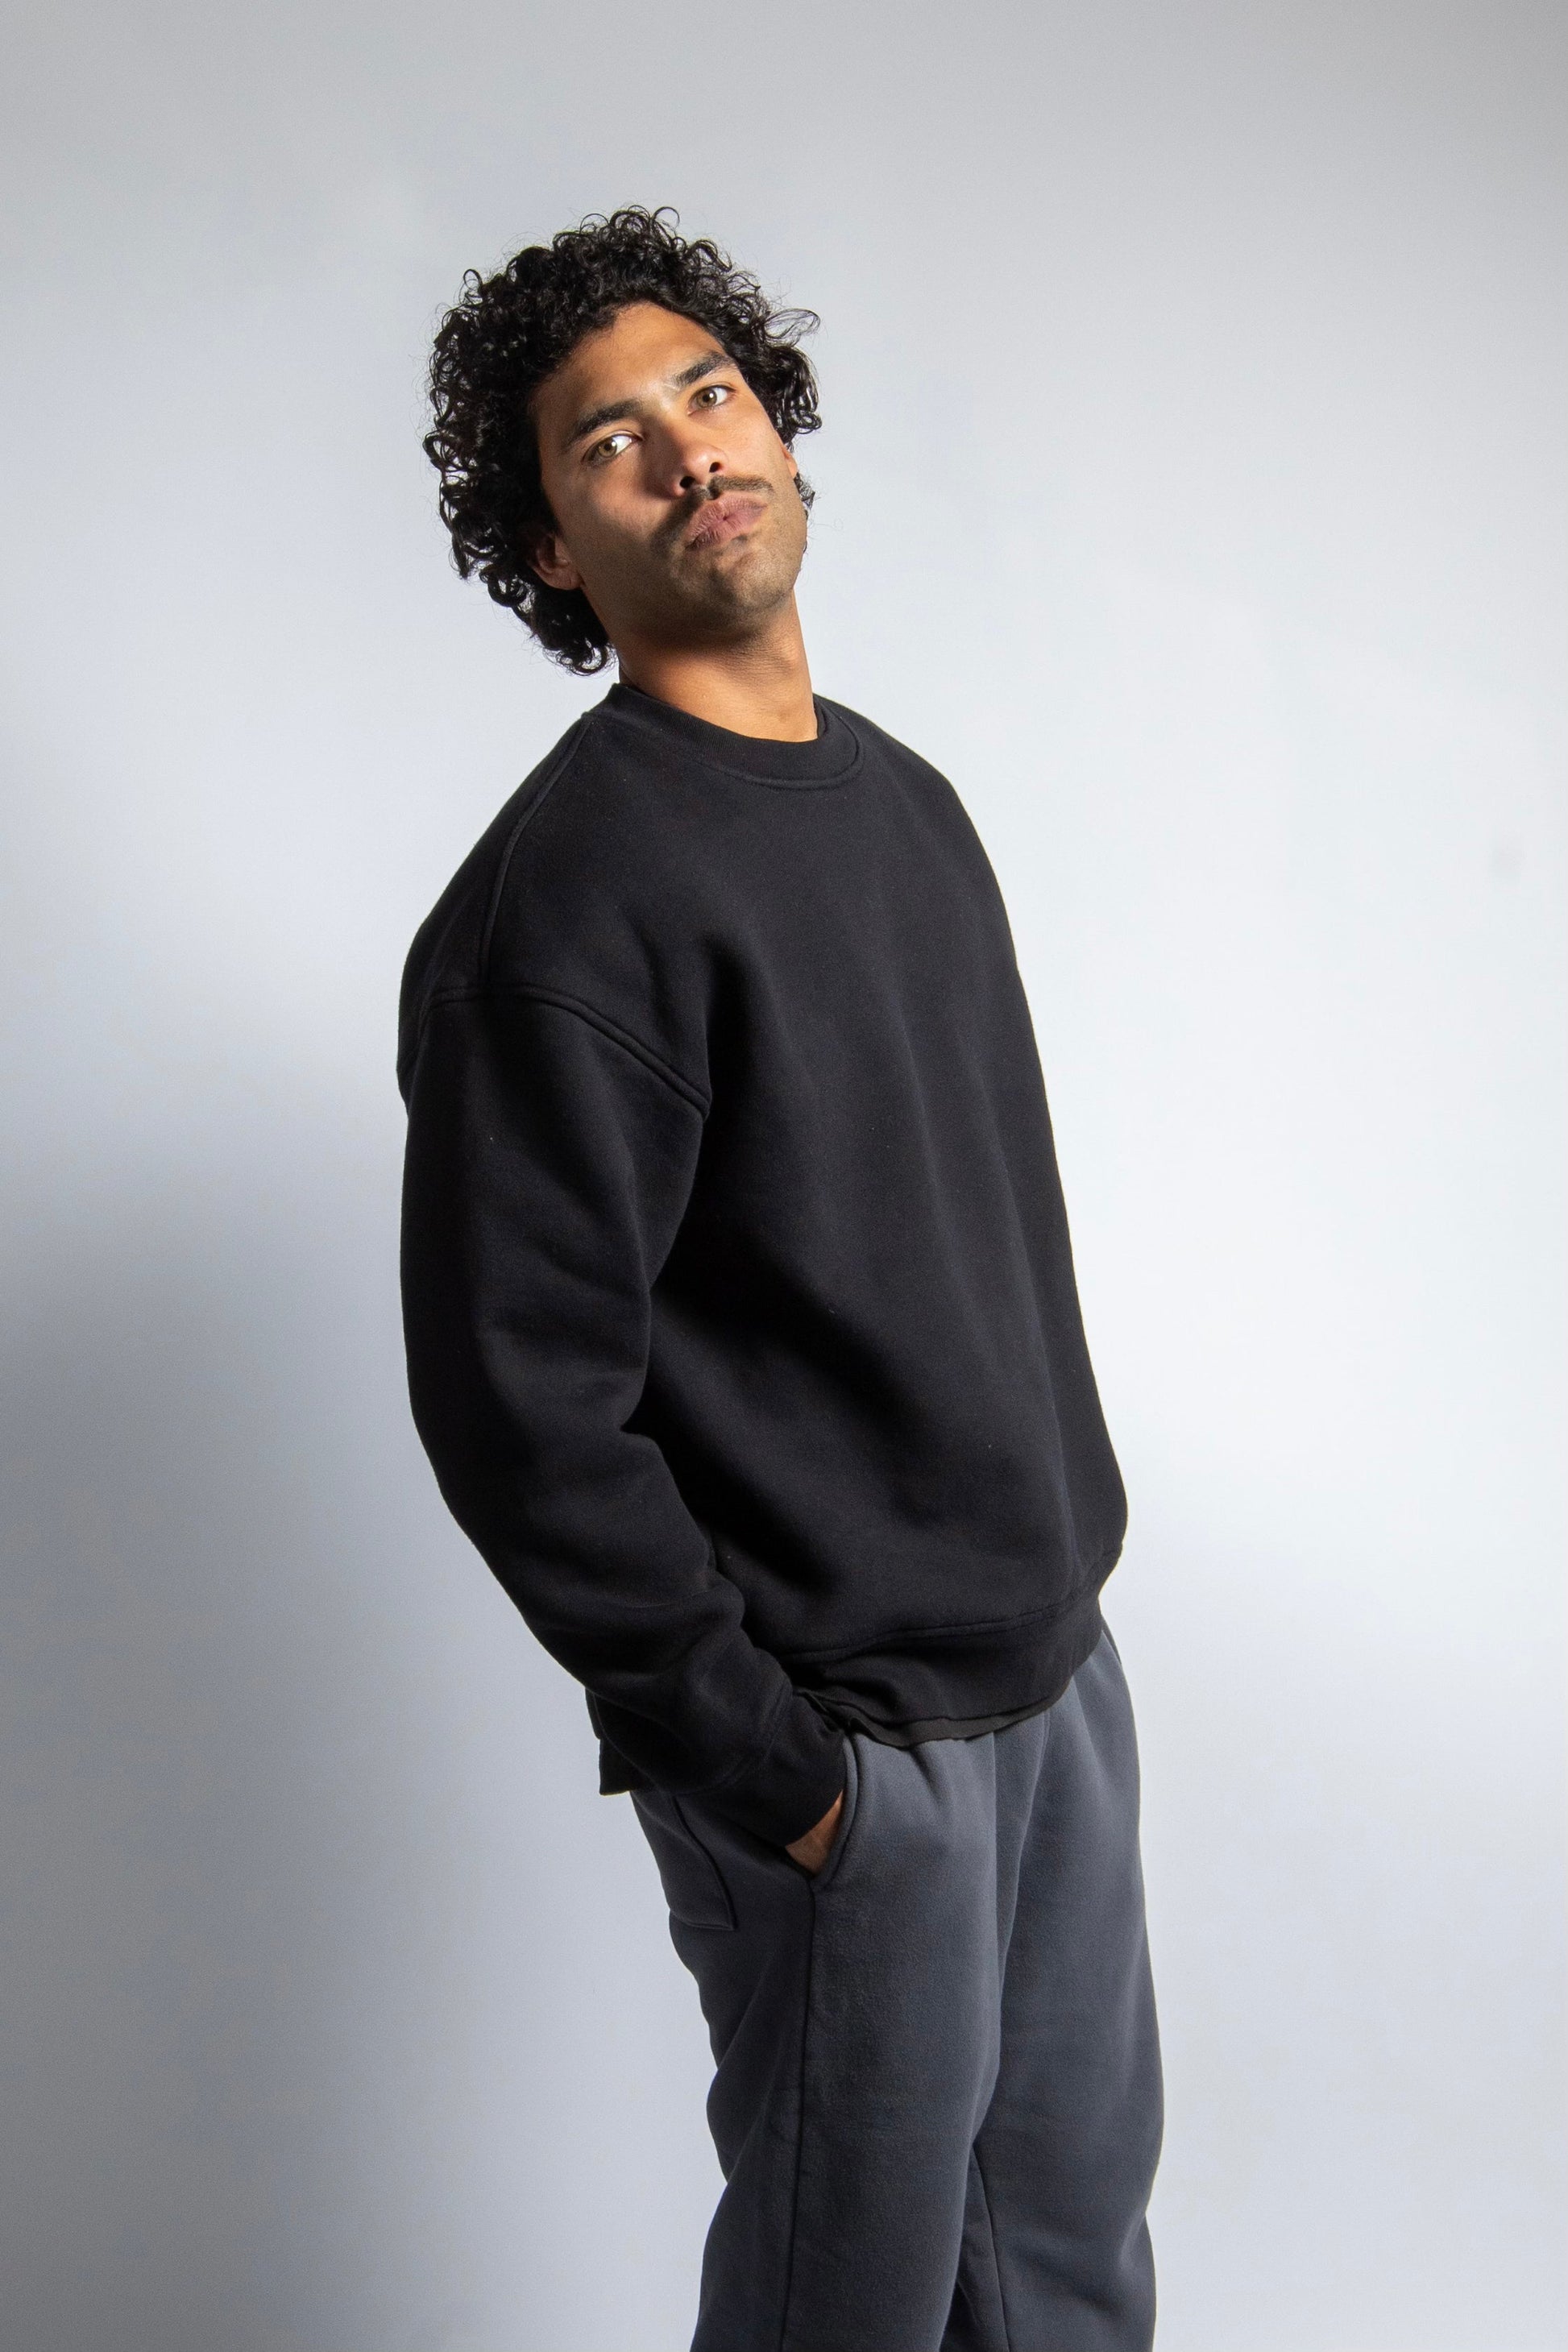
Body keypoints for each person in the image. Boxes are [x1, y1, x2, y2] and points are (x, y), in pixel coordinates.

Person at [399, 205, 1162, 2352]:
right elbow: (519, 1411)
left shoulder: (906, 807)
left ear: (780, 427)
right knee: (853, 2309)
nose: (686, 453)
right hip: (847, 1750)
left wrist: (1065, 1602)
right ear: (550, 550)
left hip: (1053, 1683)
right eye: (607, 444)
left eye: (710, 393)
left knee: (1069, 2280)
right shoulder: (564, 910)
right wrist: (782, 1777)